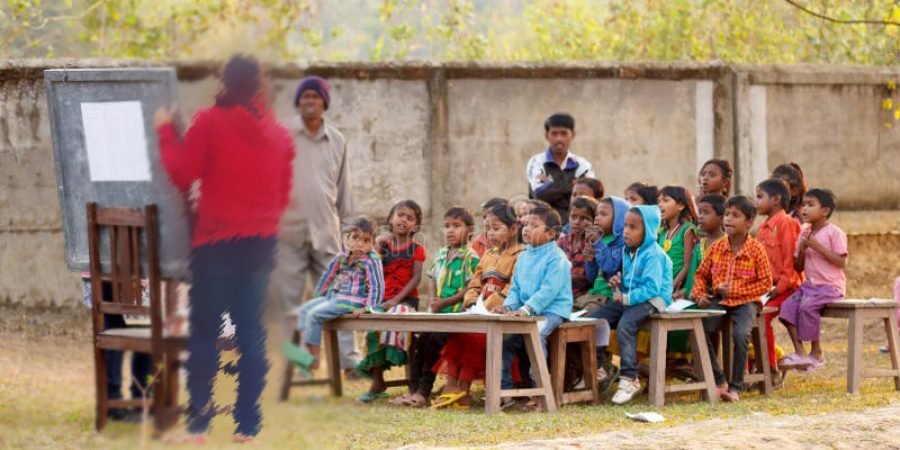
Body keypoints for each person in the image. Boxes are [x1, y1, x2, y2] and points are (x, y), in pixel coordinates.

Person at [155, 54, 294, 443]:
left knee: (205, 334)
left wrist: (165, 131)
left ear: (223, 81)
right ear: (259, 85)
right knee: (250, 335)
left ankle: (199, 423)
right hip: (259, 247)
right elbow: (281, 198)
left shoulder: (209, 122)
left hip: (215, 245)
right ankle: (247, 426)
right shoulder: (280, 135)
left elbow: (182, 173)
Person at [274, 75, 360, 377]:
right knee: (289, 301)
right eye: (305, 97)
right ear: (298, 102)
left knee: (342, 296)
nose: (310, 101)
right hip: (288, 234)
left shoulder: (337, 140)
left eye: (315, 96)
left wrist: (350, 233)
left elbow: (343, 187)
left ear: (324, 102)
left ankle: (348, 362)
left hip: (326, 231)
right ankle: (300, 363)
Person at [431, 203, 524, 409]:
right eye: (487, 228)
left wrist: (488, 305)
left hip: (501, 314)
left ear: (513, 229)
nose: (490, 234)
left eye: (496, 228)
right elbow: (475, 282)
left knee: (473, 337)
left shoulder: (520, 255)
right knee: (458, 335)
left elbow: (513, 287)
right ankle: (453, 386)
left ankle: (462, 389)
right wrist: (472, 300)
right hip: (479, 311)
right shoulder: (488, 254)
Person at [588, 205, 673, 405]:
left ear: (648, 231)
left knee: (626, 325)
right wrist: (618, 282)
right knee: (594, 319)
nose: (626, 231)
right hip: (631, 297)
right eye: (625, 226)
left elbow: (652, 288)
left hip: (653, 300)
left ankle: (629, 378)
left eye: (633, 227)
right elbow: (630, 280)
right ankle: (600, 367)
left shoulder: (654, 254)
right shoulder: (628, 251)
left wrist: (625, 298)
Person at [394, 207, 479, 408]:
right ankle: (413, 391)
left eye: (456, 226)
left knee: (433, 343)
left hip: (457, 315)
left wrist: (445, 303)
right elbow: (432, 278)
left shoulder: (471, 257)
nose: (450, 231)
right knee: (419, 343)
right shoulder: (442, 253)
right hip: (438, 313)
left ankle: (423, 392)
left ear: (470, 231)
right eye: (447, 226)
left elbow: (470, 287)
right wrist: (433, 300)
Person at [692, 196, 772, 403]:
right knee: (701, 330)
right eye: (727, 214)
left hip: (746, 302)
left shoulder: (756, 250)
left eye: (736, 216)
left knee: (740, 335)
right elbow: (701, 275)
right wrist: (700, 294)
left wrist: (735, 291)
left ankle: (736, 386)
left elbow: (765, 283)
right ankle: (719, 380)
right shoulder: (717, 247)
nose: (729, 219)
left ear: (749, 222)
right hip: (719, 300)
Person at [493, 205, 573, 410]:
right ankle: (503, 392)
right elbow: (516, 288)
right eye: (526, 224)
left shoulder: (557, 259)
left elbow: (548, 291)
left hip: (552, 310)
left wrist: (527, 310)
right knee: (504, 336)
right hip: (526, 310)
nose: (526, 229)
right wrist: (508, 306)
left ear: (551, 233)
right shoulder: (523, 257)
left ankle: (540, 393)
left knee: (536, 335)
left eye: (534, 225)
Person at [283, 218, 383, 370]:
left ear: (372, 243)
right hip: (335, 296)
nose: (360, 244)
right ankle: (305, 352)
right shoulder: (343, 255)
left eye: (366, 240)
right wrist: (319, 295)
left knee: (314, 315)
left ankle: (314, 360)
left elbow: (377, 285)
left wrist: (369, 307)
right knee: (304, 310)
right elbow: (329, 275)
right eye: (355, 238)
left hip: (352, 301)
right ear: (347, 238)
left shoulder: (371, 260)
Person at [357, 200, 426, 402]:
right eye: (400, 215)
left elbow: (416, 279)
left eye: (409, 218)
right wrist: (376, 244)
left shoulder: (417, 249)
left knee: (399, 317)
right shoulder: (383, 245)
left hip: (406, 300)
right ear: (390, 218)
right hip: (383, 299)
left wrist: (395, 300)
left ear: (416, 226)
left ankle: (412, 382)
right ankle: (378, 381)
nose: (403, 220)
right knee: (373, 327)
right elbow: (372, 268)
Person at [778, 189, 848, 372]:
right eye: (803, 205)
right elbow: (798, 267)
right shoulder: (804, 232)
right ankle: (800, 352)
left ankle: (816, 352)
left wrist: (818, 247)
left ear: (824, 211)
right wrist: (802, 250)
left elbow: (841, 262)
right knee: (786, 308)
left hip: (830, 287)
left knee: (807, 307)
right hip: (809, 287)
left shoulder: (835, 233)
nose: (804, 209)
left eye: (810, 205)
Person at [81, 274, 152, 423]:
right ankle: (141, 397)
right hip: (139, 278)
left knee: (112, 326)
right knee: (147, 327)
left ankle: (113, 399)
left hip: (101, 275)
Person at [581, 196, 631, 391]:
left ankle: (601, 366)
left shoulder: (622, 242)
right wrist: (589, 259)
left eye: (604, 214)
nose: (597, 218)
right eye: (596, 214)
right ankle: (582, 370)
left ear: (619, 218)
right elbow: (592, 276)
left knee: (589, 322)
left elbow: (611, 265)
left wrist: (598, 243)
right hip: (595, 293)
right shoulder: (602, 239)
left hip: (611, 297)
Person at [755, 179, 802, 381]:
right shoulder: (762, 229)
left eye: (759, 197)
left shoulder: (787, 224)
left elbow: (790, 262)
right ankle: (753, 368)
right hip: (768, 288)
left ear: (775, 199)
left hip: (788, 288)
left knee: (762, 317)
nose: (756, 202)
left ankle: (770, 369)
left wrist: (779, 287)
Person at [526, 113, 595, 223]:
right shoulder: (536, 162)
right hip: (541, 225)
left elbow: (587, 201)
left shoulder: (583, 165)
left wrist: (550, 183)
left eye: (564, 133)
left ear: (572, 134)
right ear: (546, 135)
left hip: (575, 226)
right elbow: (540, 195)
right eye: (554, 133)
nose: (559, 138)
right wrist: (571, 186)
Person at [557, 196, 600, 298]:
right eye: (574, 217)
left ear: (594, 221)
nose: (576, 222)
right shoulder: (562, 242)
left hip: (581, 296)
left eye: (584, 218)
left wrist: (565, 278)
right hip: (558, 294)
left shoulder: (594, 245)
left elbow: (590, 279)